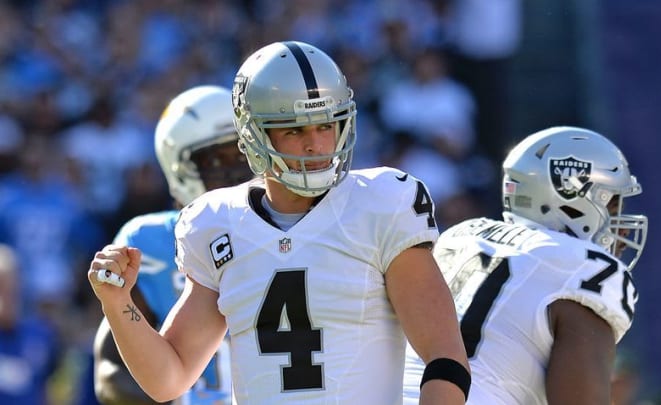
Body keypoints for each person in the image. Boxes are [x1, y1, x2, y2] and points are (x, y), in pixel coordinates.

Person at [87, 41, 470, 404]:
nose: (316, 145)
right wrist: (117, 304)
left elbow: (446, 358)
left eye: (326, 125)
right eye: (294, 130)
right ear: (254, 134)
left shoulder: (381, 204)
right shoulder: (216, 224)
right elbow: (168, 377)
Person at [404, 126, 648, 404]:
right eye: (612, 207)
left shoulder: (459, 235)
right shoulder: (584, 269)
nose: (622, 228)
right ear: (570, 201)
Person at [92, 85, 255, 404]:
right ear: (181, 168)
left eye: (243, 154)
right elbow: (112, 373)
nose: (237, 171)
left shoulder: (289, 229)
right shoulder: (149, 244)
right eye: (218, 161)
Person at [0, 243, 61, 404]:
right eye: (1, 286)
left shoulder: (41, 334)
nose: (6, 295)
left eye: (11, 286)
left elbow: (50, 391)